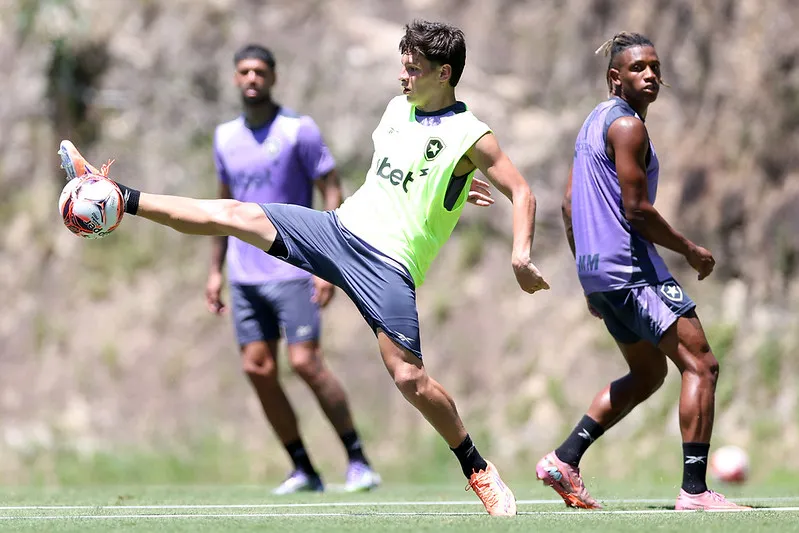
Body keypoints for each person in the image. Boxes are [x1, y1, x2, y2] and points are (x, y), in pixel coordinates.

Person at [58, 20, 549, 516]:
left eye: (413, 70)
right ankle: (120, 196)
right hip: (337, 231)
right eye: (402, 67)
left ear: (444, 74)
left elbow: (523, 192)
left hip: (389, 264)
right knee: (235, 214)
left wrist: (520, 253)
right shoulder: (398, 109)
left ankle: (477, 468)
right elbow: (415, 176)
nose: (403, 78)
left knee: (408, 379)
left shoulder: (471, 135)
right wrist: (457, 187)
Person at [535, 32, 748, 511]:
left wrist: (587, 273)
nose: (650, 74)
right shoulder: (628, 127)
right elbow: (637, 210)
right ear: (616, 78)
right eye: (637, 68)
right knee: (702, 365)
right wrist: (690, 250)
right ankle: (695, 491)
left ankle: (564, 459)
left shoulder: (592, 123)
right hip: (630, 269)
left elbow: (570, 205)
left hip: (599, 272)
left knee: (648, 372)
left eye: (654, 66)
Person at [204, 44, 380, 494]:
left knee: (305, 362)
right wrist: (214, 271)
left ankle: (358, 460)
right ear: (234, 79)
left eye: (260, 71)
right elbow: (222, 208)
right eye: (243, 71)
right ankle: (303, 468)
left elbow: (332, 188)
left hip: (295, 269)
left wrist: (329, 260)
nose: (251, 79)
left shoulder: (298, 131)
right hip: (245, 277)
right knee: (257, 369)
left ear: (273, 77)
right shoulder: (225, 137)